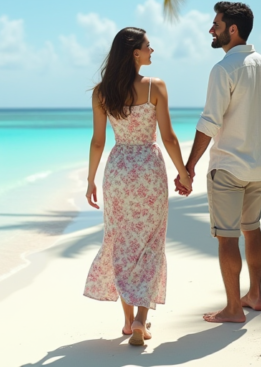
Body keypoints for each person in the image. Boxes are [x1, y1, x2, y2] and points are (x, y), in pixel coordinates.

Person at [175, 1, 261, 323]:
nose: (212, 29)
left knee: (228, 237)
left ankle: (234, 308)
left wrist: (189, 166)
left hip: (228, 167)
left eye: (216, 24)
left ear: (232, 29)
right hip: (260, 168)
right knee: (252, 229)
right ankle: (255, 296)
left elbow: (209, 122)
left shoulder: (223, 69)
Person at [83, 27, 191, 346]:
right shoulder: (154, 87)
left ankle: (129, 321)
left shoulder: (101, 92)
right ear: (135, 53)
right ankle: (144, 319)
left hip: (118, 171)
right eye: (148, 46)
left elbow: (98, 142)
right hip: (149, 170)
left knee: (120, 242)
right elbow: (169, 137)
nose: (152, 50)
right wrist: (183, 172)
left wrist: (90, 179)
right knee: (150, 243)